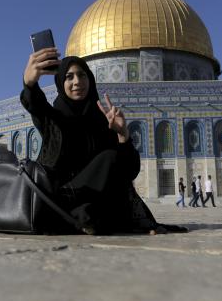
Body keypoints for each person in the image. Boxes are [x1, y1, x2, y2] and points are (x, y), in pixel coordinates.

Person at [21, 48, 186, 235]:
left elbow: (128, 171)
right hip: (57, 200)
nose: (77, 82)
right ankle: (80, 217)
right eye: (69, 77)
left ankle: (88, 218)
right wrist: (29, 84)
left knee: (111, 165)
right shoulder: (53, 120)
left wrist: (123, 135)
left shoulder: (102, 121)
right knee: (108, 159)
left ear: (90, 79)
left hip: (93, 202)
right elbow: (36, 105)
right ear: (61, 83)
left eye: (82, 75)